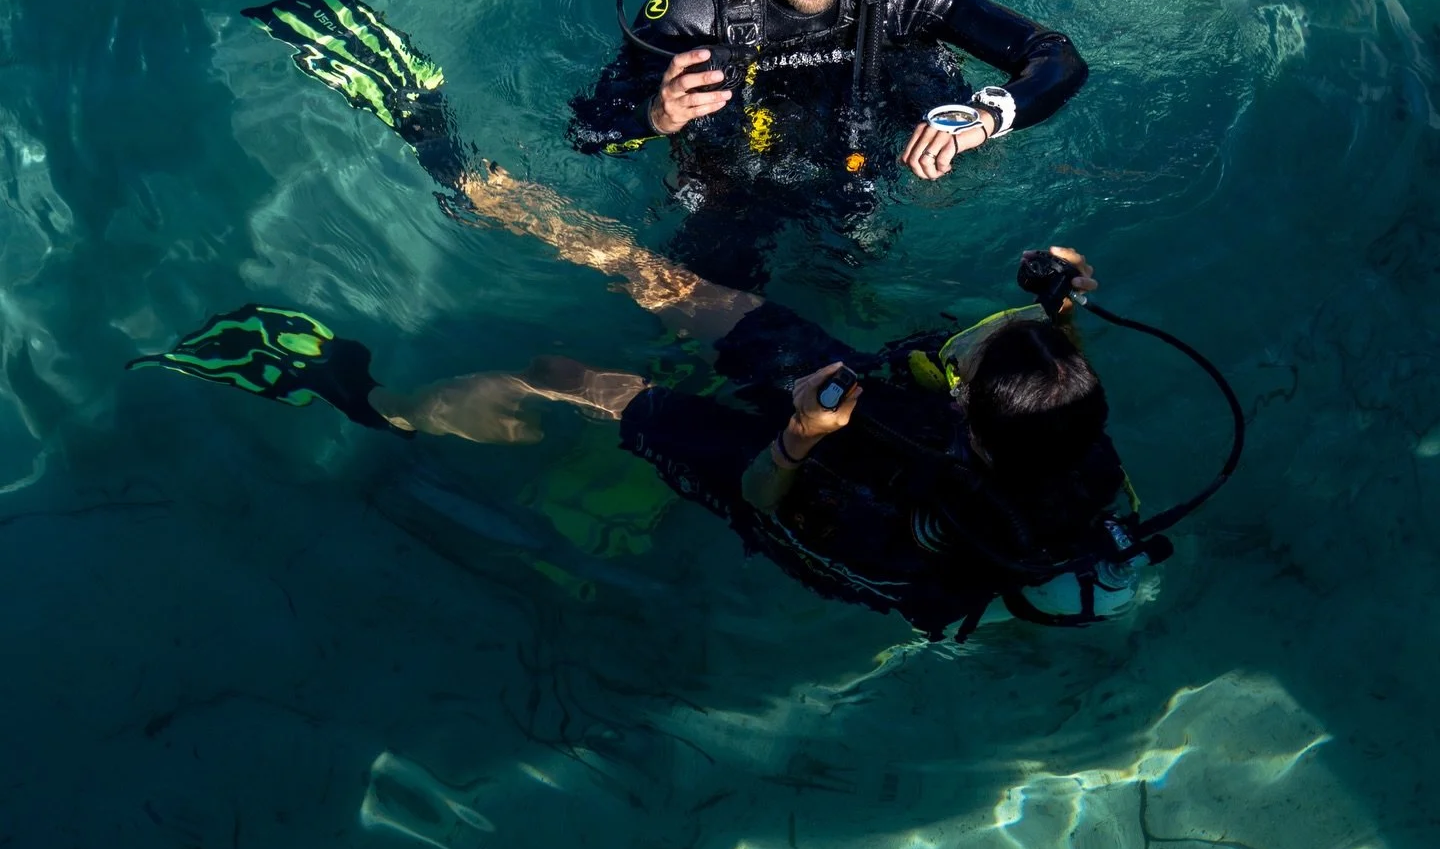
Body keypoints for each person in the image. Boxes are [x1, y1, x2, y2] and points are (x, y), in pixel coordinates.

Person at [130, 219, 1166, 643]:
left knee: (568, 376)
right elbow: (1028, 358)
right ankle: (495, 190)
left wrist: (802, 433)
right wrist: (1060, 302)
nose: (978, 342)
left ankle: (365, 399)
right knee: (684, 289)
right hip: (885, 423)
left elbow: (775, 511)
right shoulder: (1071, 425)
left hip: (802, 481)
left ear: (976, 425)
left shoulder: (917, 534)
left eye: (978, 363)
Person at [567, 0, 1089, 285]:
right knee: (716, 254)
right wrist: (655, 116)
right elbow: (588, 132)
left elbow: (1057, 57)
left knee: (860, 237)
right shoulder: (694, 6)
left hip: (878, 95)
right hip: (749, 144)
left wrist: (985, 116)